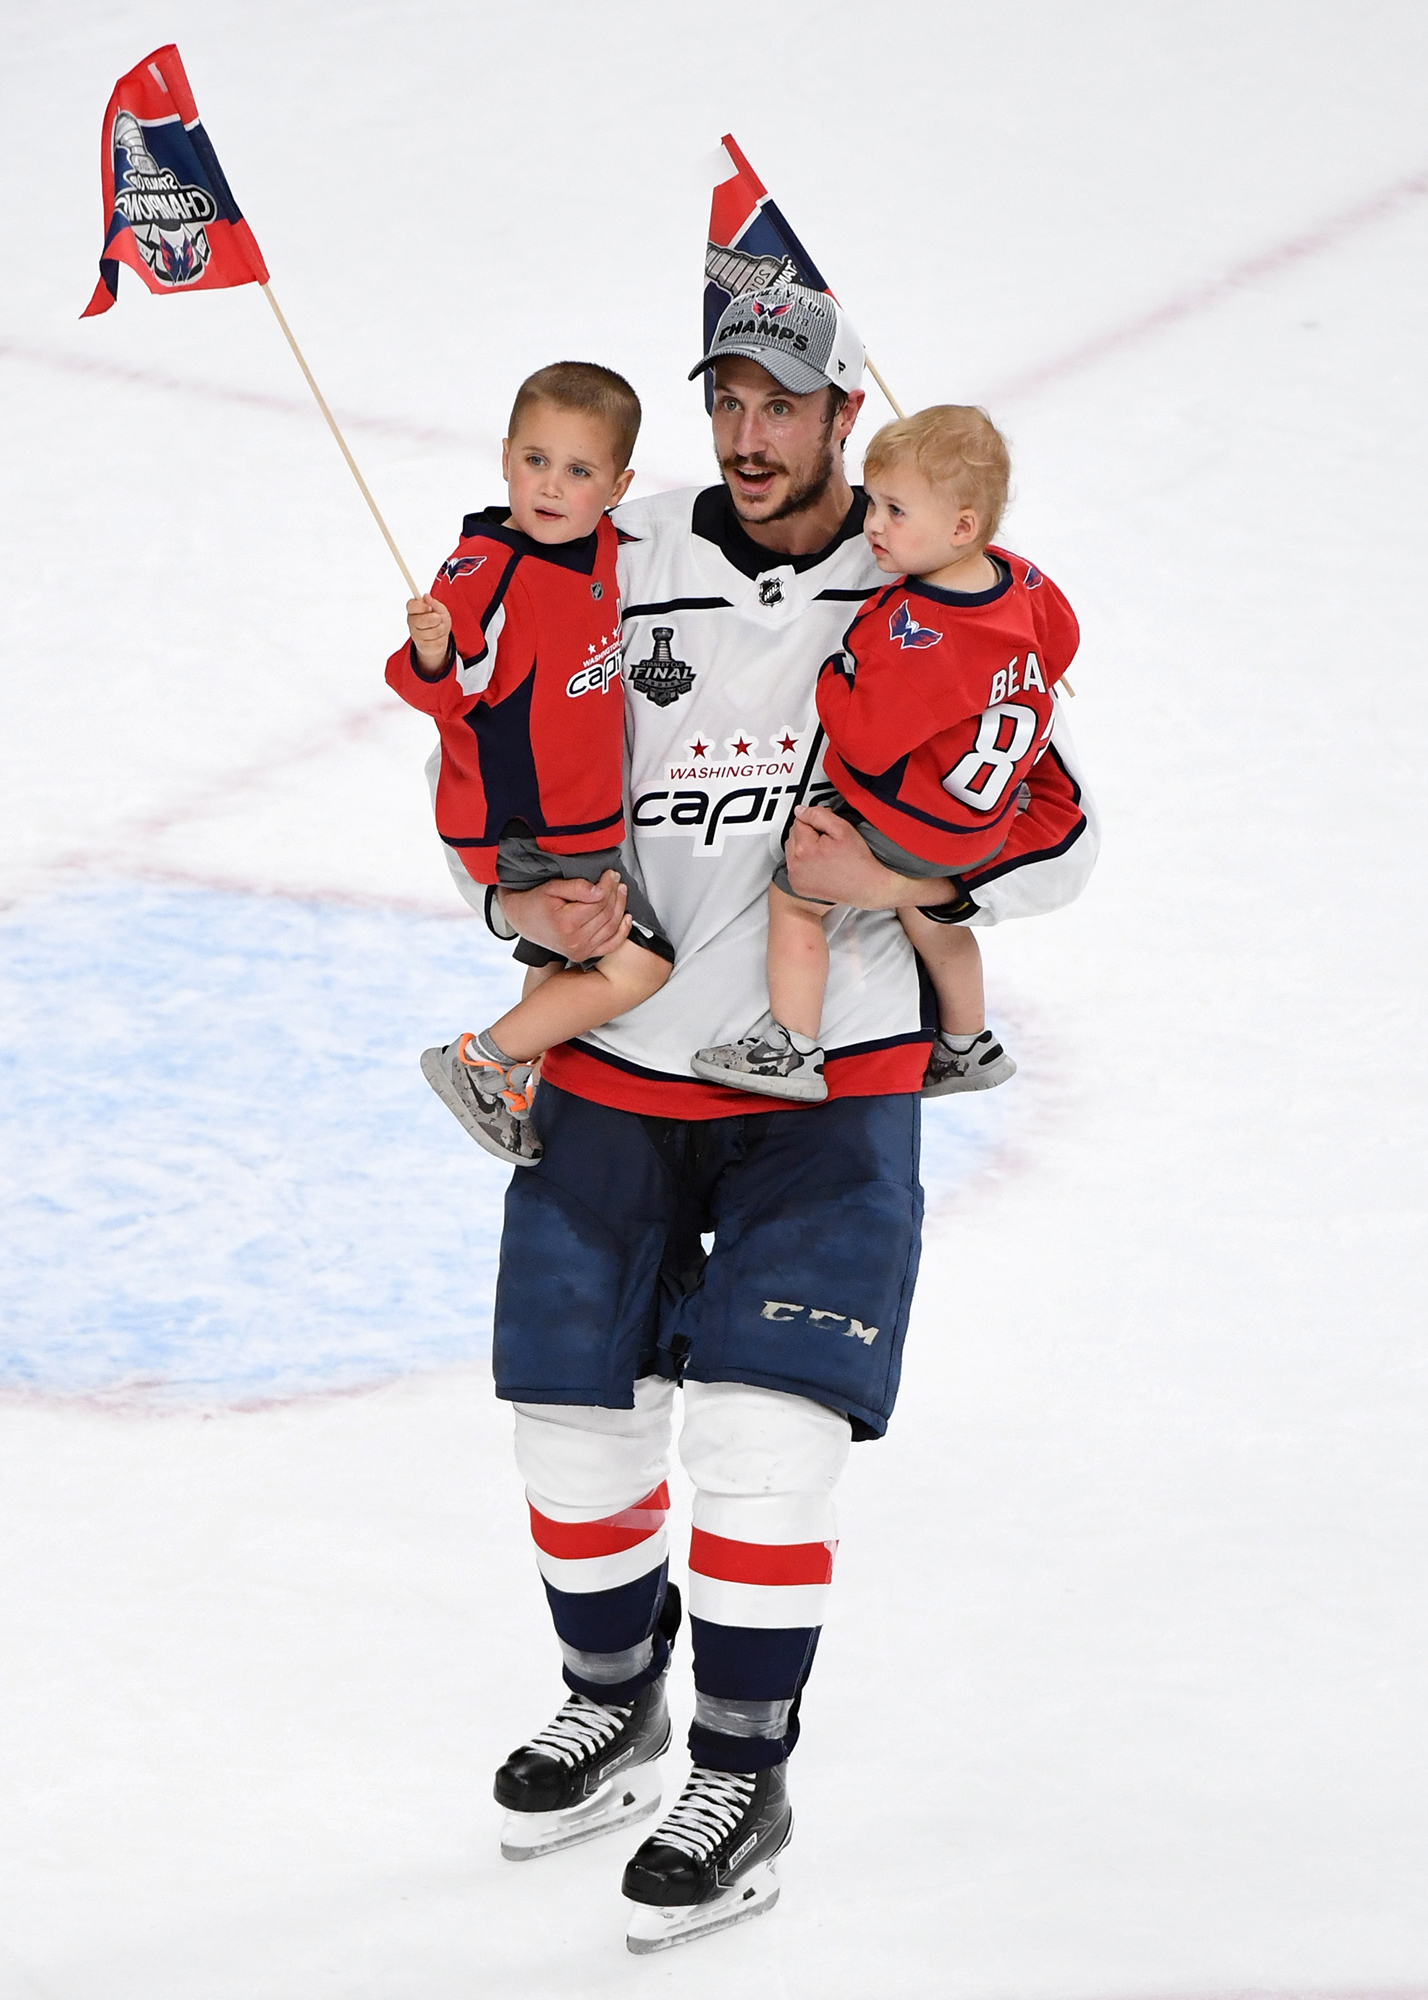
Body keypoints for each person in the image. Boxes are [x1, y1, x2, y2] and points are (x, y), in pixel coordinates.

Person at [471, 283, 1098, 1953]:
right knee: (570, 1435)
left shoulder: (936, 590)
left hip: (829, 1082)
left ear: (846, 416)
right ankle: (612, 1704)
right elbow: (501, 763)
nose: (749, 434)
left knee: (761, 1446)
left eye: (784, 403)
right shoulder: (609, 545)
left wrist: (901, 874)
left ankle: (741, 1776)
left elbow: (1059, 836)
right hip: (614, 1065)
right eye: (725, 400)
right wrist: (515, 914)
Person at [691, 403, 1079, 1104]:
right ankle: (967, 1043)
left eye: (897, 512)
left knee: (796, 899)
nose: (873, 525)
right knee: (928, 911)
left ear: (961, 527)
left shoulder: (919, 635)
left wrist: (836, 674)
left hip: (912, 824)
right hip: (982, 825)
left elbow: (864, 743)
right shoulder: (1021, 583)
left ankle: (791, 1047)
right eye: (875, 503)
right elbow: (1065, 640)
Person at [385, 362, 674, 1168]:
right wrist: (436, 649)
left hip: (579, 820)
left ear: (617, 486)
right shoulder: (486, 563)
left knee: (561, 961)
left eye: (578, 471)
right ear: (505, 455)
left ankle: (525, 1086)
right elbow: (436, 684)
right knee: (640, 963)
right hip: (525, 824)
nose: (550, 486)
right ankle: (482, 1063)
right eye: (536, 461)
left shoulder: (607, 544)